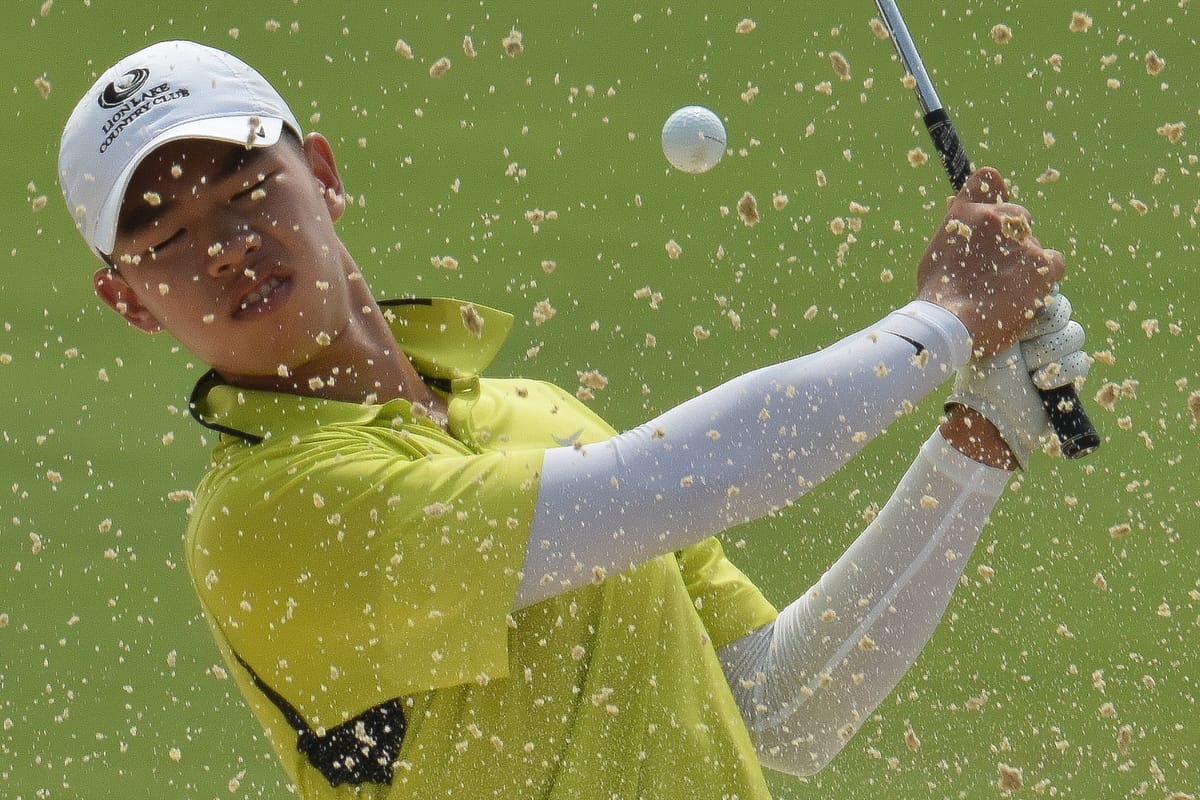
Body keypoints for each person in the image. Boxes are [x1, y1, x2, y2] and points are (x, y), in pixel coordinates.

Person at [59, 40, 1089, 799]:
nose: (228, 247)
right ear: (131, 303)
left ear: (322, 175)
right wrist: (944, 321)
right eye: (167, 240)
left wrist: (980, 434)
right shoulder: (268, 517)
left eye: (245, 189)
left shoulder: (534, 419)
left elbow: (788, 706)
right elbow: (678, 477)